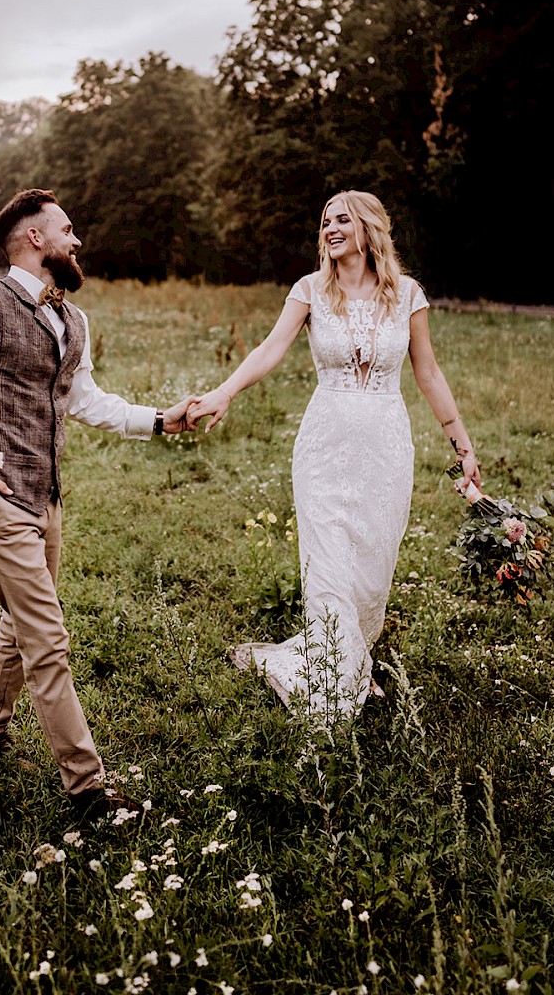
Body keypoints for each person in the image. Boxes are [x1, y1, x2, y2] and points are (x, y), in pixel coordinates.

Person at [0, 188, 196, 819]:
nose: (77, 240)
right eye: (67, 229)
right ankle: (87, 792)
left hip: (46, 497)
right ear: (34, 239)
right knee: (48, 640)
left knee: (24, 617)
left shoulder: (71, 319)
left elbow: (85, 400)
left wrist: (163, 421)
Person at [187, 190, 480, 721]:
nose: (330, 228)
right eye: (325, 221)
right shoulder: (310, 291)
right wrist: (226, 391)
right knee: (327, 563)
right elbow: (270, 347)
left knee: (370, 567)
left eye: (342, 219)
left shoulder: (406, 295)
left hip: (386, 447)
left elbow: (428, 372)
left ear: (369, 228)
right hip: (325, 445)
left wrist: (462, 445)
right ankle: (332, 688)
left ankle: (352, 660)